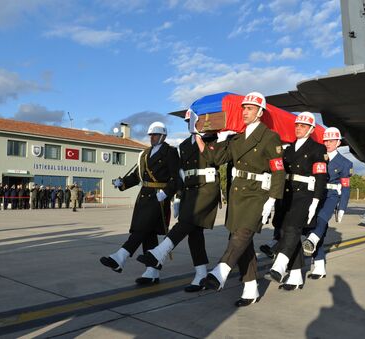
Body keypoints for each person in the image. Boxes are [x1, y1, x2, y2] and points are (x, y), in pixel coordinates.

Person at [198, 92, 286, 307]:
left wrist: (272, 199)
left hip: (258, 194)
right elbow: (215, 159)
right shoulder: (237, 137)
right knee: (243, 244)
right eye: (243, 108)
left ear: (260, 113)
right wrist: (211, 138)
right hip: (238, 194)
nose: (245, 112)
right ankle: (251, 288)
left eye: (250, 108)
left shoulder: (269, 137)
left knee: (242, 234)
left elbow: (278, 170)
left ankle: (221, 271)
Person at [136, 109, 222, 293]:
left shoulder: (213, 139)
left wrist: (203, 139)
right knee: (194, 234)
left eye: (193, 121)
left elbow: (217, 160)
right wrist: (178, 197)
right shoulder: (183, 145)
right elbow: (180, 175)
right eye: (187, 121)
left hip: (207, 188)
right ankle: (201, 275)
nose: (190, 124)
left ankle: (159, 252)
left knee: (185, 222)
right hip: (190, 190)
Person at [100, 121, 180, 285]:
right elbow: (138, 175)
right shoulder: (145, 154)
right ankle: (152, 272)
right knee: (147, 234)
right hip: (144, 196)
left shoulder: (170, 152)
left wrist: (166, 193)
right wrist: (122, 183)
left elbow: (175, 178)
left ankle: (120, 257)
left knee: (141, 229)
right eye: (151, 135)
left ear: (163, 136)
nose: (152, 138)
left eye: (155, 135)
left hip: (158, 197)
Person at [265, 112, 328, 290]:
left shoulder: (318, 149)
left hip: (305, 196)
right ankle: (296, 275)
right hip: (287, 194)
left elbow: (321, 177)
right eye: (297, 125)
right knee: (286, 233)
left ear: (311, 129)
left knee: (293, 229)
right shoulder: (288, 149)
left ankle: (279, 267)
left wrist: (316, 200)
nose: (298, 128)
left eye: (303, 126)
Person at [300, 127, 353, 280]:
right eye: (325, 141)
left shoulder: (345, 163)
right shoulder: (317, 157)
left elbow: (346, 187)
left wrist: (342, 207)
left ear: (338, 143)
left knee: (322, 219)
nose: (328, 143)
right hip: (315, 194)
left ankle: (312, 240)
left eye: (331, 141)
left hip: (332, 196)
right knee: (315, 227)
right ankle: (319, 265)